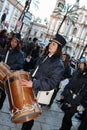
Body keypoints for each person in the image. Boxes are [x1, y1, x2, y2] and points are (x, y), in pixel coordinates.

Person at [20, 33, 66, 130]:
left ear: (59, 48)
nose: (50, 45)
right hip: (31, 89)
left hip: (38, 92)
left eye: (54, 44)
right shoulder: (44, 57)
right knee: (25, 115)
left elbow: (52, 83)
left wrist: (34, 83)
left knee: (30, 118)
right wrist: (27, 73)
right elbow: (36, 71)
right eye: (51, 43)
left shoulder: (59, 64)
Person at [54, 61, 87, 130]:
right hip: (68, 96)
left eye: (82, 64)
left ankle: (66, 128)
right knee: (66, 115)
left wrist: (73, 103)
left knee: (68, 116)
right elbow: (69, 84)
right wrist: (63, 93)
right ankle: (63, 128)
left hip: (75, 100)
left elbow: (83, 93)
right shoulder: (76, 73)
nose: (80, 64)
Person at [0, 33, 24, 109]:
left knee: (3, 92)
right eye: (12, 41)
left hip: (9, 75)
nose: (13, 43)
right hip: (1, 72)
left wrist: (10, 67)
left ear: (18, 43)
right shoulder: (6, 49)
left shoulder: (20, 54)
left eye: (15, 42)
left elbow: (20, 64)